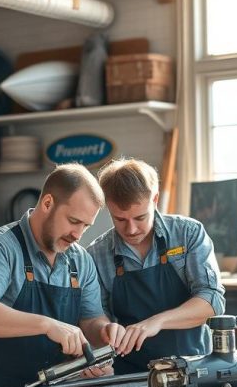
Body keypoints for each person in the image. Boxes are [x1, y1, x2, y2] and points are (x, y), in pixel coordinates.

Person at [0, 164, 125, 387]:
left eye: (85, 226)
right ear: (48, 203)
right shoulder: (0, 247)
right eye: (73, 221)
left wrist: (103, 336)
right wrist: (47, 325)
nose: (77, 234)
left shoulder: (80, 261)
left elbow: (91, 319)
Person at [88, 158, 225, 374]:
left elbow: (212, 301)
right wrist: (105, 330)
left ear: (155, 199)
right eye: (120, 219)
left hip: (193, 368)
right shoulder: (96, 254)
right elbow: (95, 315)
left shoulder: (188, 234)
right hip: (130, 375)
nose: (131, 229)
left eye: (140, 217)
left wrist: (157, 322)